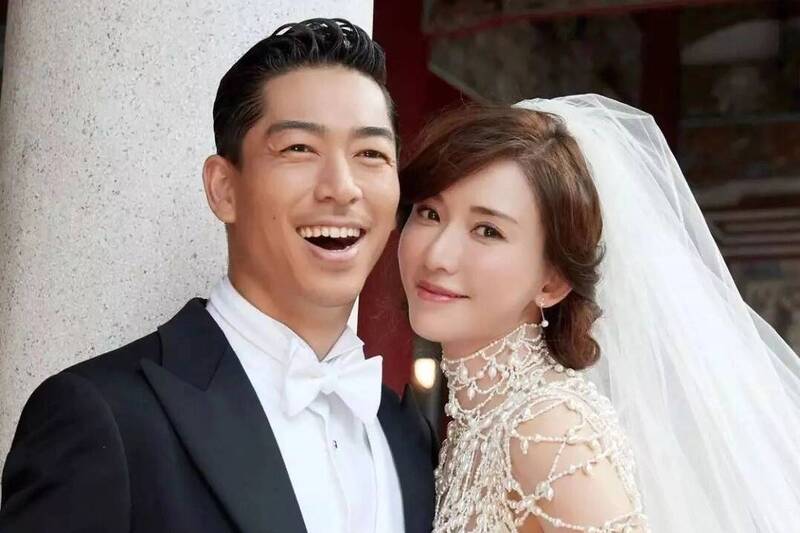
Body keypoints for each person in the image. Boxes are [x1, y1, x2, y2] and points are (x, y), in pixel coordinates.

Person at [0, 19, 437, 533]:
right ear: (223, 189)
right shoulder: (102, 415)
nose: (342, 188)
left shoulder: (408, 438)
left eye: (371, 154)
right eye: (299, 148)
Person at [396, 95, 800, 532]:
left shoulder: (548, 431)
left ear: (553, 282)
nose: (438, 255)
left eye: (487, 230)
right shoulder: (483, 421)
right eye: (430, 213)